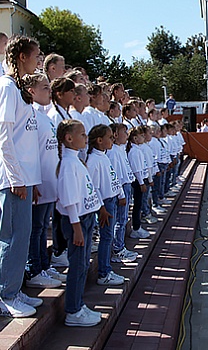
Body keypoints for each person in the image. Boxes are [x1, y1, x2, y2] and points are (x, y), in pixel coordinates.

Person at [0, 35, 43, 318]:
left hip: (24, 176)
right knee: (11, 235)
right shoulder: (6, 87)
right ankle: (5, 297)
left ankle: (15, 289)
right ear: (21, 56)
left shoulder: (20, 89)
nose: (39, 59)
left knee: (23, 235)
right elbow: (4, 136)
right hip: (13, 178)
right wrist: (16, 178)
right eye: (36, 55)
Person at [54, 119, 103, 327]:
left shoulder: (76, 161)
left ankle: (78, 304)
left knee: (83, 265)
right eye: (82, 134)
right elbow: (69, 199)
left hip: (86, 218)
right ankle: (73, 310)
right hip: (77, 221)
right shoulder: (68, 165)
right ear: (69, 138)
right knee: (77, 266)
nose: (85, 138)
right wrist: (76, 228)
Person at [21, 73, 64, 289]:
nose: (49, 91)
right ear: (32, 91)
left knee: (41, 226)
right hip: (39, 181)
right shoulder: (30, 115)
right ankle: (34, 267)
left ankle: (44, 266)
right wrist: (34, 181)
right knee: (36, 228)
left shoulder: (44, 115)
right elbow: (31, 151)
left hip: (49, 179)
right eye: (45, 88)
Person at [85, 124, 126, 287]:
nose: (113, 139)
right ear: (99, 140)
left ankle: (106, 269)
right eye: (110, 137)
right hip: (104, 204)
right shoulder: (94, 160)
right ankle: (103, 272)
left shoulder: (103, 156)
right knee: (106, 237)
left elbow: (112, 178)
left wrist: (119, 194)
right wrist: (101, 208)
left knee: (108, 237)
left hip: (110, 200)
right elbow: (93, 188)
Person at [107, 123, 139, 263]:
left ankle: (120, 246)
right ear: (115, 135)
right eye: (124, 132)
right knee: (120, 220)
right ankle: (117, 249)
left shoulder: (120, 149)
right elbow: (116, 176)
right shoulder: (113, 152)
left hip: (126, 186)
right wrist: (121, 194)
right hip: (120, 188)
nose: (127, 135)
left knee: (123, 218)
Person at [127, 126, 152, 239]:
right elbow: (136, 169)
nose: (143, 137)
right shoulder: (134, 151)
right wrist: (141, 183)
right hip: (138, 181)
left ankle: (137, 226)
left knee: (139, 204)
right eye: (141, 136)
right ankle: (136, 228)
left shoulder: (138, 149)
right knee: (137, 204)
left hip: (140, 180)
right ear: (135, 138)